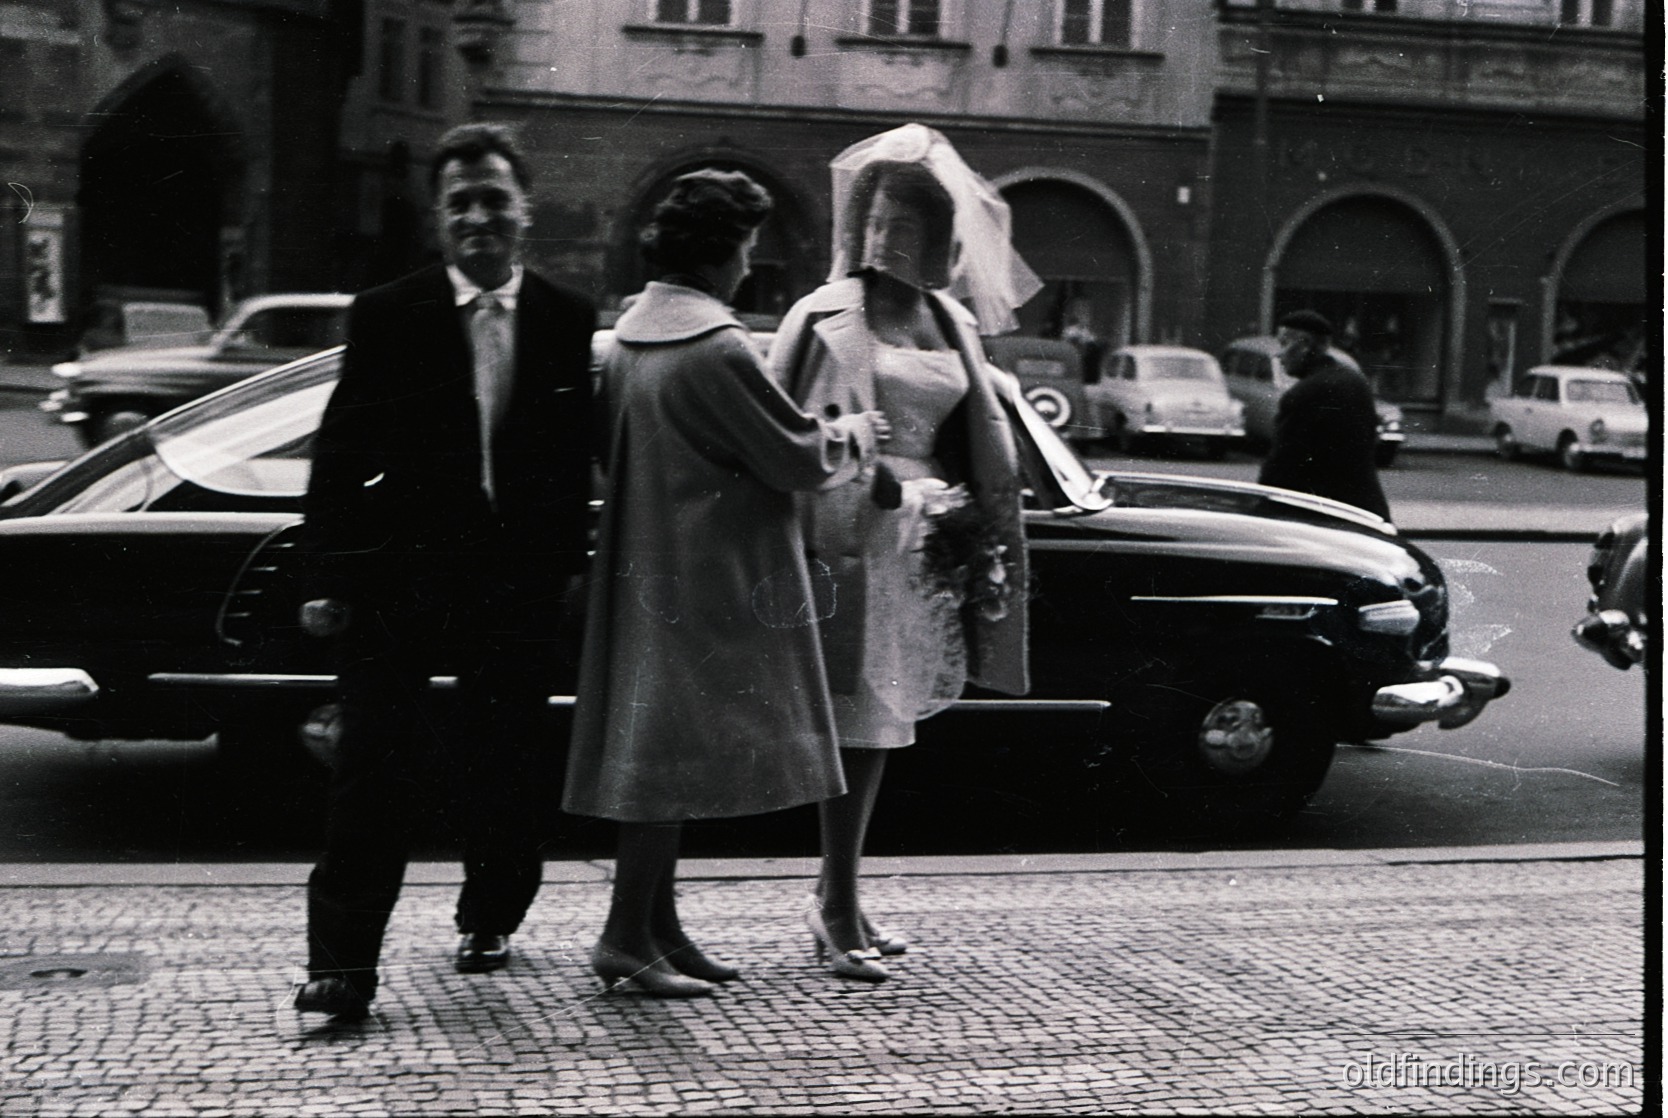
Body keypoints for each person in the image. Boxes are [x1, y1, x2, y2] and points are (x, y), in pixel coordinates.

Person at [292, 123, 596, 1020]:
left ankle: (491, 913)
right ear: (438, 216)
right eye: (459, 202)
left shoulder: (564, 316)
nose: (477, 217)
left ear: (523, 210)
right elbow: (340, 453)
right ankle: (343, 966)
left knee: (505, 762)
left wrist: (562, 563)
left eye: (493, 199)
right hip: (399, 582)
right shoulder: (389, 312)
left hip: (513, 587)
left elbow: (565, 452)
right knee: (372, 767)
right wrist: (328, 577)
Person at [564, 169, 889, 998]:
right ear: (719, 252)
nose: (750, 263)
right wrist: (854, 431)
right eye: (747, 245)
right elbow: (793, 454)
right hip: (710, 580)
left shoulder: (634, 337)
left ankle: (659, 928)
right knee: (668, 758)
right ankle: (624, 938)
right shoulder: (718, 347)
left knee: (660, 749)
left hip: (648, 565)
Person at [768, 123, 1036, 983]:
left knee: (881, 727)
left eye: (916, 221)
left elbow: (978, 430)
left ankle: (839, 896)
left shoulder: (949, 318)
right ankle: (835, 904)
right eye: (886, 219)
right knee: (855, 718)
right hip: (852, 537)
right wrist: (866, 475)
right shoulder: (824, 316)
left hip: (927, 539)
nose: (897, 240)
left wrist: (972, 520)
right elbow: (789, 433)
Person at [1258, 309, 1391, 520]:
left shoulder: (1304, 393)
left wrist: (1263, 511)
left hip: (1324, 517)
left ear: (1304, 345)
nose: (1279, 354)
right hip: (1366, 512)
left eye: (1284, 343)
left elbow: (1281, 468)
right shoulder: (1354, 380)